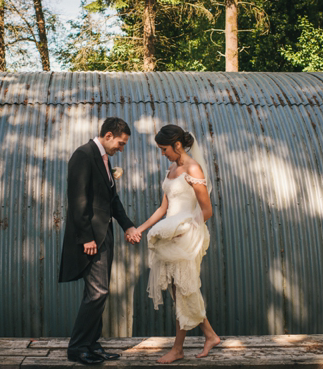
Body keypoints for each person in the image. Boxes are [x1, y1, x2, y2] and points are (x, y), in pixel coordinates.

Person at [59, 117, 142, 365]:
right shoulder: (83, 155)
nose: (121, 148)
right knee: (97, 292)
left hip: (104, 235)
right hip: (91, 237)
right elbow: (78, 199)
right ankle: (77, 348)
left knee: (99, 293)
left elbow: (111, 199)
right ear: (107, 136)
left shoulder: (105, 160)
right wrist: (86, 237)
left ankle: (92, 345)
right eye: (120, 142)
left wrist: (127, 225)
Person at [136, 124, 220, 364]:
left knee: (183, 288)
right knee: (179, 289)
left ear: (178, 145)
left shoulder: (193, 168)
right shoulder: (171, 168)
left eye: (164, 149)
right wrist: (140, 229)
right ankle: (210, 335)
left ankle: (178, 349)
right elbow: (163, 208)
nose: (163, 153)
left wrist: (183, 230)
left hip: (187, 236)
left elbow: (206, 211)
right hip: (170, 235)